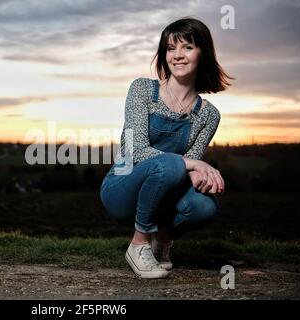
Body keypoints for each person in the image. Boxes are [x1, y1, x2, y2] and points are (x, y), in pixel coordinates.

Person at [99, 17, 233, 279]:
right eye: (171, 48)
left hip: (164, 194)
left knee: (205, 206)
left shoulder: (209, 115)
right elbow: (135, 151)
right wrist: (192, 164)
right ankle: (138, 244)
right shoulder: (142, 90)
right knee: (172, 163)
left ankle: (162, 238)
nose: (178, 56)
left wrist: (198, 174)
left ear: (202, 52)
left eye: (187, 47)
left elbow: (187, 167)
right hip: (122, 185)